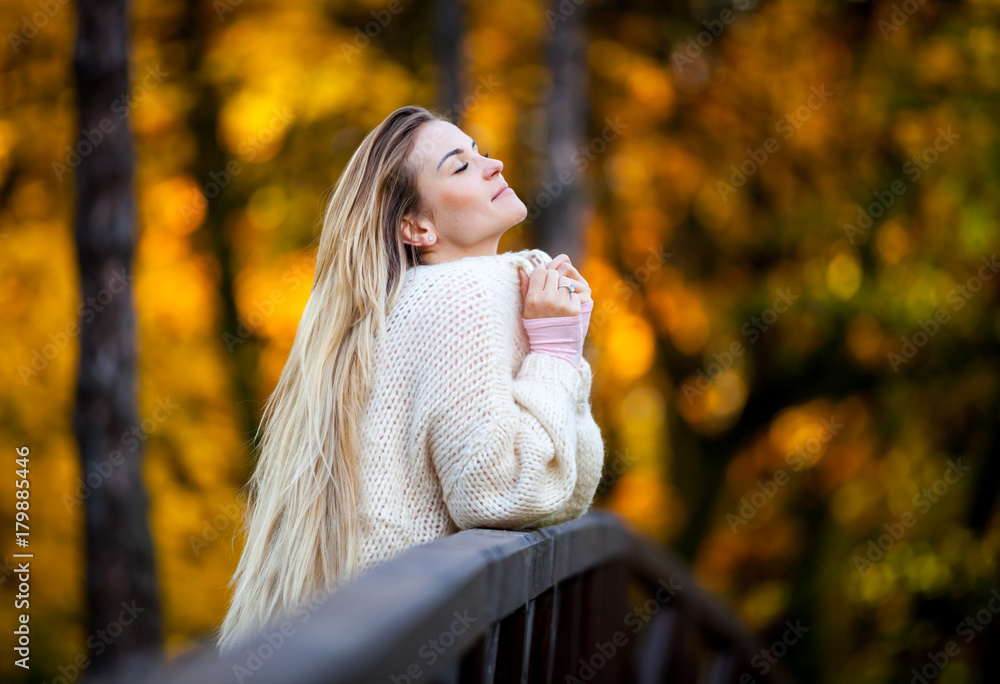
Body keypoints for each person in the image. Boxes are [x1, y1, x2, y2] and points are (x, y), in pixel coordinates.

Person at [215, 105, 605, 654]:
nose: (491, 165)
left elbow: (566, 485)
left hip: (351, 644)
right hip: (401, 648)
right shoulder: (462, 295)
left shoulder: (419, 301)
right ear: (416, 227)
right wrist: (553, 355)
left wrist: (559, 347)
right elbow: (506, 492)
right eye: (459, 166)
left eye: (480, 153)